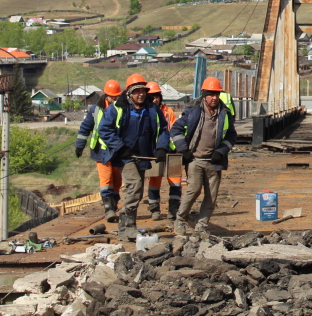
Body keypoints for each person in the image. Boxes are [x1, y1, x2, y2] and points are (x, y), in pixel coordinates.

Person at [97, 73, 170, 241]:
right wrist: (119, 147)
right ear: (129, 93)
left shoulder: (151, 109)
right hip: (124, 156)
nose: (141, 94)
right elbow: (104, 129)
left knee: (136, 191)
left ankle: (125, 229)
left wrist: (161, 148)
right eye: (137, 91)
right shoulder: (118, 108)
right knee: (135, 185)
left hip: (143, 156)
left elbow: (163, 130)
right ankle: (128, 225)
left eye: (143, 91)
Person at [170, 76, 237, 236]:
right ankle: (180, 220)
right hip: (195, 160)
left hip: (214, 161)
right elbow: (175, 130)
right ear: (204, 95)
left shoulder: (224, 113)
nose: (214, 98)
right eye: (211, 94)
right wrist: (183, 150)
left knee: (211, 196)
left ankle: (201, 226)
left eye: (216, 94)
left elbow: (231, 136)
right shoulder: (193, 111)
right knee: (193, 190)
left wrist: (221, 151)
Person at [75, 79, 123, 223]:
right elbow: (85, 128)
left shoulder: (122, 109)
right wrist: (80, 145)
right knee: (106, 180)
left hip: (117, 150)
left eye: (116, 96)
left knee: (117, 181)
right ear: (105, 95)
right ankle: (108, 209)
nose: (114, 99)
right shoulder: (95, 110)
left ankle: (113, 206)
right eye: (112, 96)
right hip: (101, 151)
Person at [145, 82, 181, 220]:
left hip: (172, 151)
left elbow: (173, 130)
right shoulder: (146, 112)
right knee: (154, 179)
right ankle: (154, 209)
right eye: (152, 96)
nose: (155, 99)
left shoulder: (168, 111)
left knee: (175, 180)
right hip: (155, 151)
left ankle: (173, 208)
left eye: (157, 96)